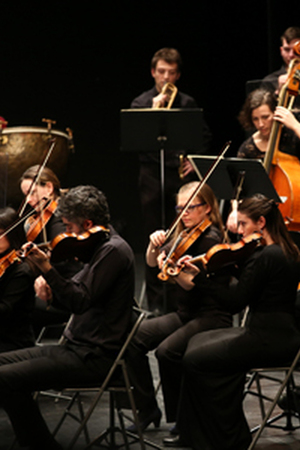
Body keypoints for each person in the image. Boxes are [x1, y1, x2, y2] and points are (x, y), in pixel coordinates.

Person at [0, 185, 135, 450]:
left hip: (94, 357)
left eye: (69, 227)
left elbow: (79, 301)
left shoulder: (113, 251)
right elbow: (75, 293)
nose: (67, 235)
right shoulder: (97, 247)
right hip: (75, 348)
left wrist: (48, 270)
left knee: (4, 378)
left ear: (87, 223)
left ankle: (41, 445)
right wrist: (52, 288)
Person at [163, 194, 300, 450]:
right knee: (197, 341)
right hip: (279, 334)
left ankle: (225, 437)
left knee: (196, 359)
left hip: (270, 340)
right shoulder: (285, 249)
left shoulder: (267, 256)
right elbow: (254, 280)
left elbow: (235, 301)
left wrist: (200, 280)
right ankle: (196, 434)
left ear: (261, 222)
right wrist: (214, 267)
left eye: (245, 225)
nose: (240, 233)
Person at [127, 182, 232, 434]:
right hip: (186, 314)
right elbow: (152, 263)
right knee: (133, 339)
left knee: (166, 351)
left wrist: (172, 272)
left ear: (207, 208)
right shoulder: (182, 234)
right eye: (180, 208)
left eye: (190, 208)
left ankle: (182, 418)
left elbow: (191, 286)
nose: (183, 213)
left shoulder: (211, 240)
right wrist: (154, 246)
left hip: (211, 315)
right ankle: (147, 407)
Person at [131, 47, 213, 313]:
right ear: (153, 72)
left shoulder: (186, 103)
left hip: (179, 179)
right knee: (155, 238)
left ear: (178, 75)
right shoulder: (141, 103)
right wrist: (150, 114)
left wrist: (194, 159)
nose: (166, 78)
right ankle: (156, 304)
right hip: (151, 176)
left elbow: (203, 136)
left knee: (181, 235)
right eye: (162, 71)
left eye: (172, 72)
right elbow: (135, 142)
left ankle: (180, 296)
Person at [0, 207, 36, 352]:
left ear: (12, 235)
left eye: (1, 234)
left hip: (12, 342)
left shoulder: (21, 269)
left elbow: (4, 311)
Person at [237, 88, 300, 160]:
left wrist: (295, 125)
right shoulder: (247, 149)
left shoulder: (292, 136)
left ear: (275, 113)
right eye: (255, 119)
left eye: (265, 117)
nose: (261, 124)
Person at [262, 26, 300, 93]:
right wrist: (278, 91)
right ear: (281, 51)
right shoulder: (270, 81)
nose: (291, 55)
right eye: (287, 50)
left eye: (297, 50)